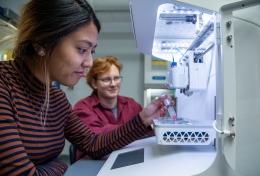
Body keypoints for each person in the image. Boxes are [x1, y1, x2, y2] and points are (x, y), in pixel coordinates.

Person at [0, 0, 170, 175]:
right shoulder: (4, 85)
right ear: (42, 43)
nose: (89, 62)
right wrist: (60, 166)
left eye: (92, 51)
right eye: (82, 49)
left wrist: (143, 119)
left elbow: (93, 144)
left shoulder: (56, 98)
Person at [73, 56, 153, 160]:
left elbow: (148, 135)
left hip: (126, 158)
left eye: (116, 78)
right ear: (94, 83)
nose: (113, 84)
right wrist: (137, 126)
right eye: (106, 79)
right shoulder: (82, 108)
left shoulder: (131, 104)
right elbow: (96, 140)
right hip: (94, 162)